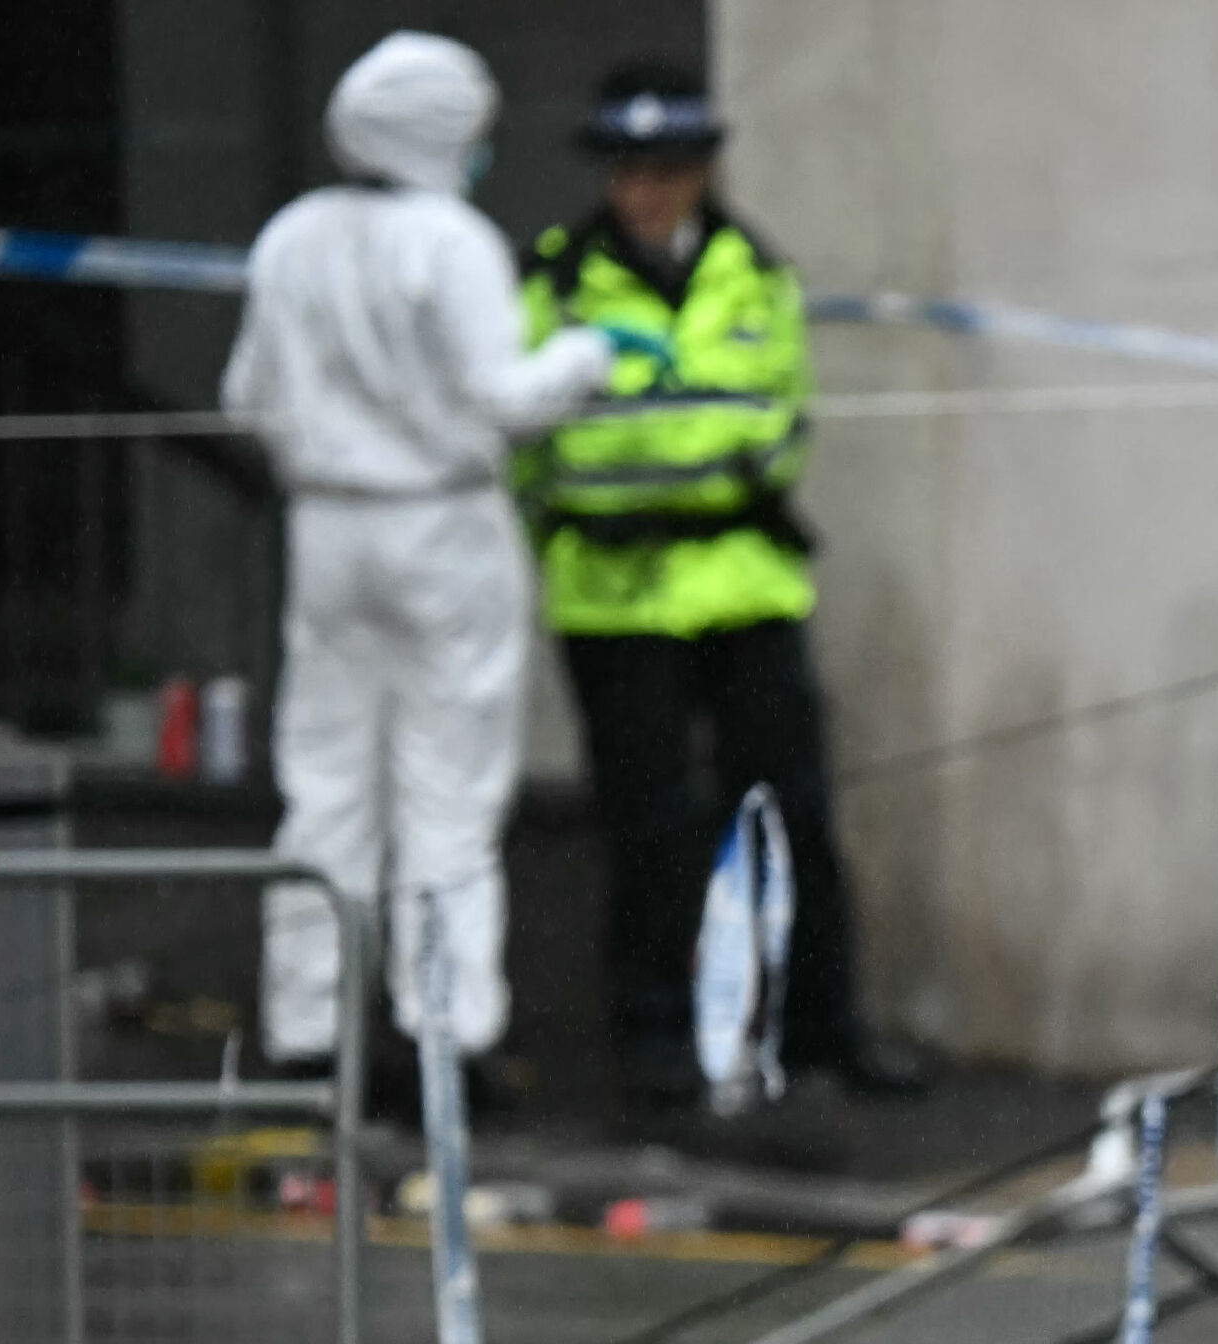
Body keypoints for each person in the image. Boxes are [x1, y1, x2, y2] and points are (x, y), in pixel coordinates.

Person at [521, 60, 908, 1124]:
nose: (649, 191)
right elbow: (527, 447)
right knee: (648, 823)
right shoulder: (556, 280)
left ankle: (824, 1029)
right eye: (631, 170)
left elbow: (782, 416)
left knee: (794, 813)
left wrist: (695, 466)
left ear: (701, 171)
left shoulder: (754, 271)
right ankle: (656, 1036)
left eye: (670, 169)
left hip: (744, 581)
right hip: (617, 593)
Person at [224, 33, 613, 1083]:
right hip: (443, 530)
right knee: (449, 787)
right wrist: (589, 356)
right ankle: (448, 1035)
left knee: (324, 786)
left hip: (326, 530)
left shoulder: (293, 235)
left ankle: (309, 1031)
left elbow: (245, 396)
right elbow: (506, 397)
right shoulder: (453, 240)